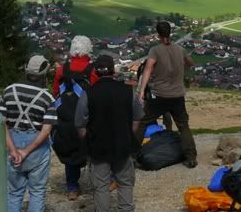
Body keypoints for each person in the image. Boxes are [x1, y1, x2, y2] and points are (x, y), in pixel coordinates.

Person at [75, 54, 143, 212]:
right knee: (125, 183)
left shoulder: (88, 93)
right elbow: (138, 117)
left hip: (98, 146)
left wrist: (87, 140)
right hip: (123, 144)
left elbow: (79, 123)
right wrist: (128, 134)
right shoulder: (128, 91)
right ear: (113, 70)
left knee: (101, 187)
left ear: (96, 72)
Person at [0, 55, 57, 212]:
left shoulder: (9, 90)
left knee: (15, 192)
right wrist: (26, 151)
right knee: (37, 192)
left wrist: (12, 149)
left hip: (12, 139)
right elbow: (47, 130)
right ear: (44, 73)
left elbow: (2, 122)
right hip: (36, 144)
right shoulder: (47, 97)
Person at [136, 21, 198, 168]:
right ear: (170, 33)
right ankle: (191, 157)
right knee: (183, 125)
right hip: (177, 95)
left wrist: (142, 90)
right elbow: (191, 63)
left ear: (158, 34)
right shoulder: (180, 49)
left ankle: (132, 155)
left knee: (143, 122)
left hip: (160, 95)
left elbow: (148, 69)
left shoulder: (155, 50)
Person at [53, 35, 98, 200]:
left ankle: (72, 187)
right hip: (87, 117)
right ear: (88, 49)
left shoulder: (61, 70)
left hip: (65, 117)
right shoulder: (93, 71)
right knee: (94, 148)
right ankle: (100, 182)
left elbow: (55, 92)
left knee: (70, 148)